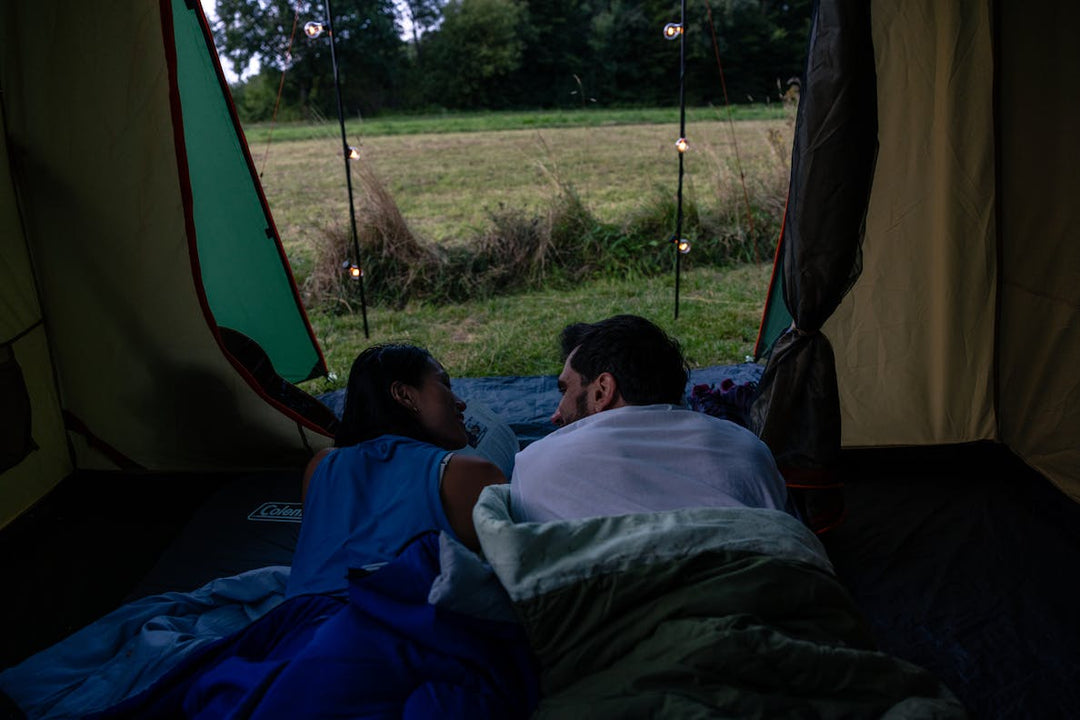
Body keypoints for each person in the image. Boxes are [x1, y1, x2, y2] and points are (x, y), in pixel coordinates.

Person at [509, 314, 790, 523]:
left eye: (565, 389)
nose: (556, 413)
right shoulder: (748, 449)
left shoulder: (537, 465)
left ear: (602, 391)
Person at [287, 343, 506, 599]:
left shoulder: (321, 467)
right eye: (445, 385)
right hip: (400, 632)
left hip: (301, 627)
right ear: (404, 395)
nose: (461, 404)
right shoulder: (470, 476)